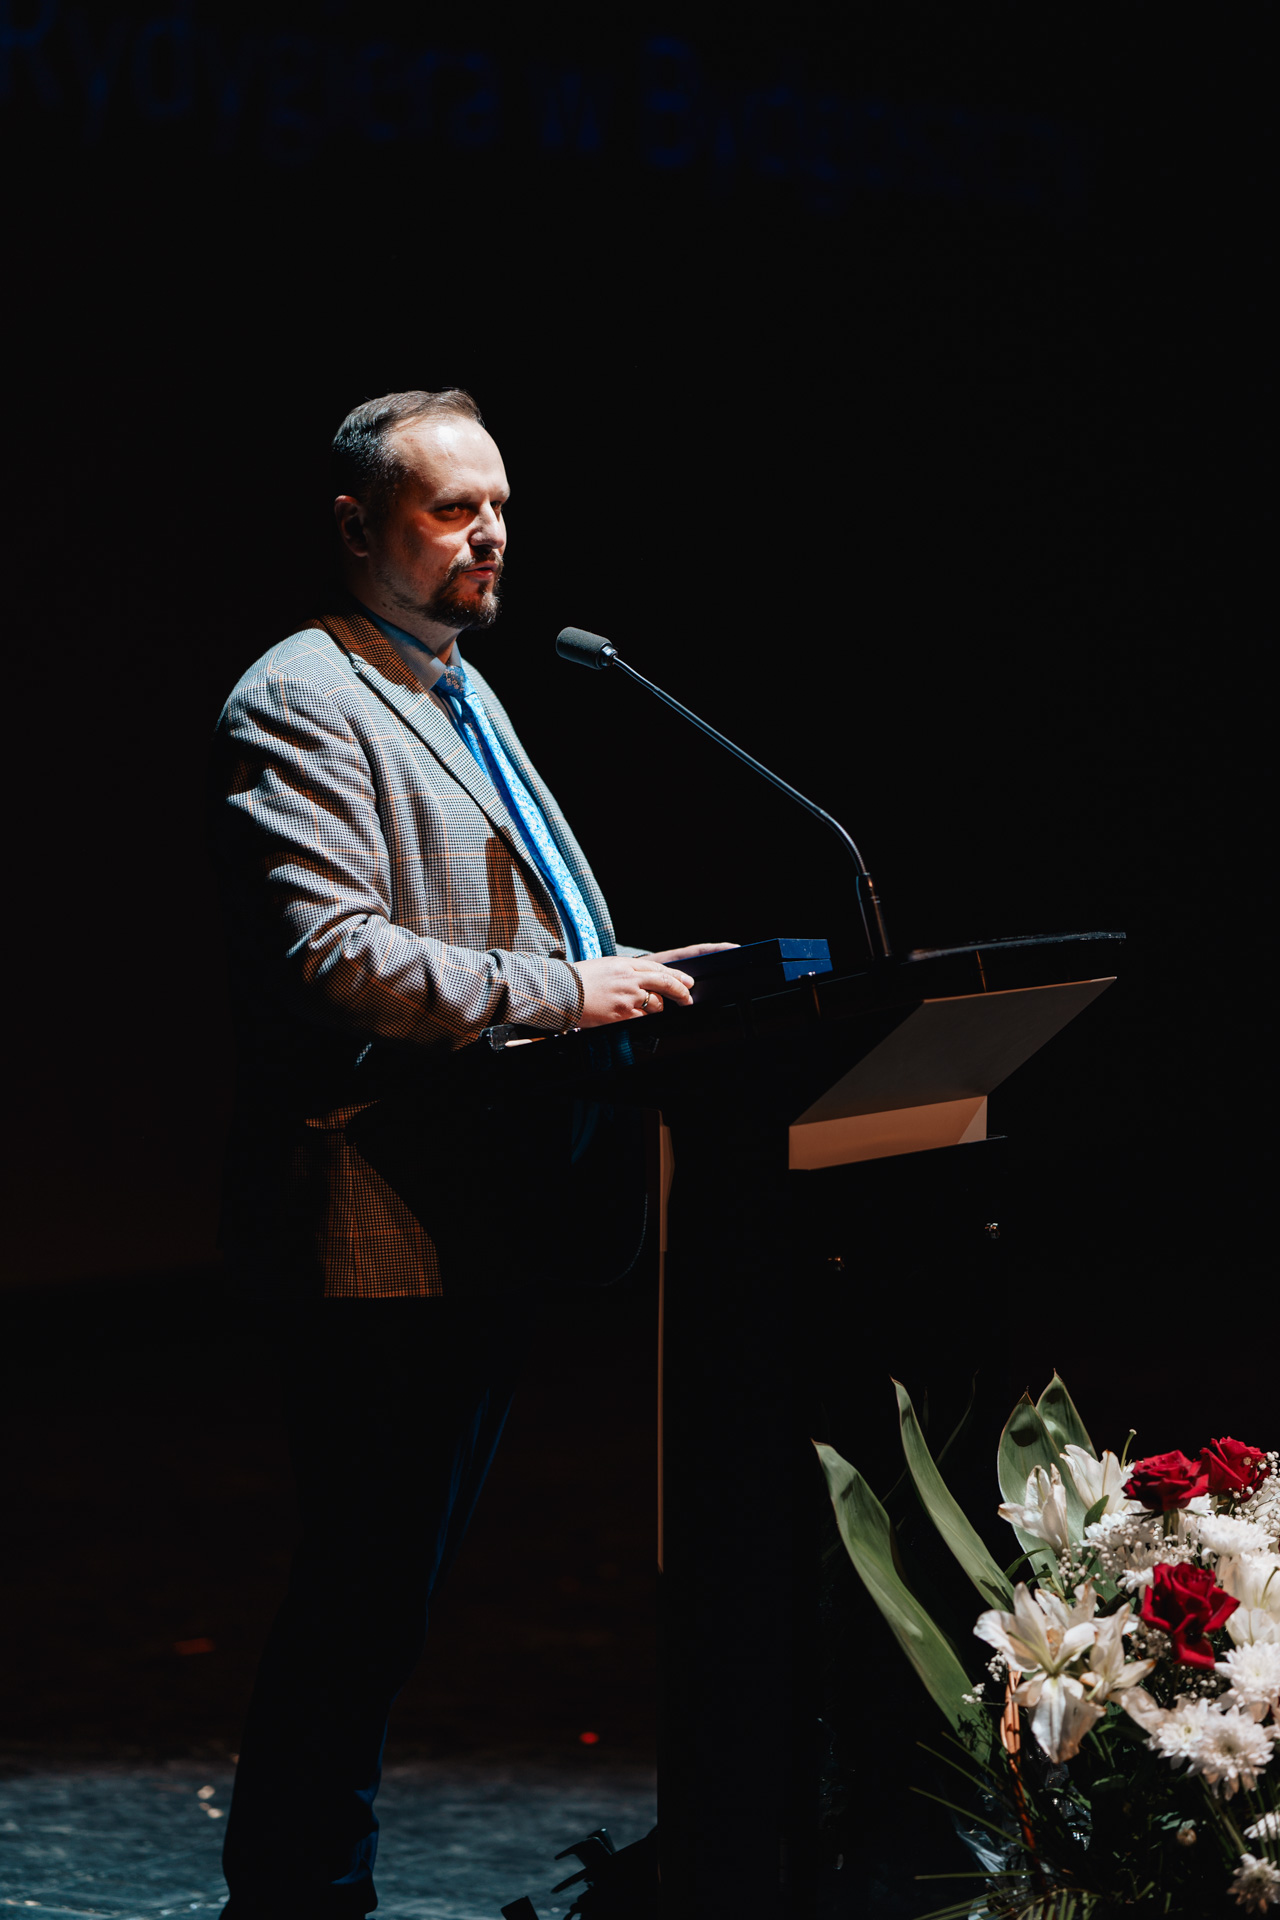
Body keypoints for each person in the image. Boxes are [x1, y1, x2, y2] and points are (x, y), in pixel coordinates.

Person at [208, 387, 729, 1917]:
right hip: (377, 1217)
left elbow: (511, 921)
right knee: (361, 1597)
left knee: (389, 1595)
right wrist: (569, 993)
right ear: (358, 525)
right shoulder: (298, 696)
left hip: (484, 1196)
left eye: (499, 505)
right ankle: (295, 1895)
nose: (489, 533)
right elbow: (335, 958)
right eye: (451, 509)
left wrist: (629, 971)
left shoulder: (456, 685)